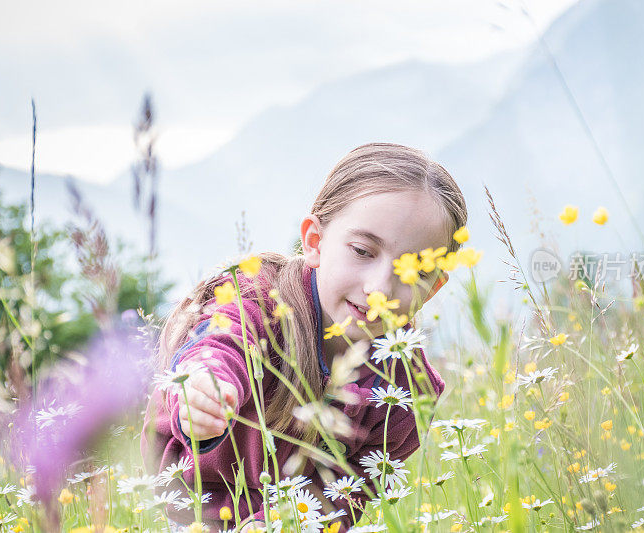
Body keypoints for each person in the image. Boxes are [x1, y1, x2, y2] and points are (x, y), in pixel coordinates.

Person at [142, 142, 469, 532]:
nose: (379, 287)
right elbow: (220, 345)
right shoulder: (258, 298)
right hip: (189, 514)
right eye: (363, 251)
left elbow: (348, 494)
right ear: (314, 241)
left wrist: (274, 525)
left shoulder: (409, 390)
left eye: (414, 272)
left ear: (432, 289)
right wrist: (203, 389)